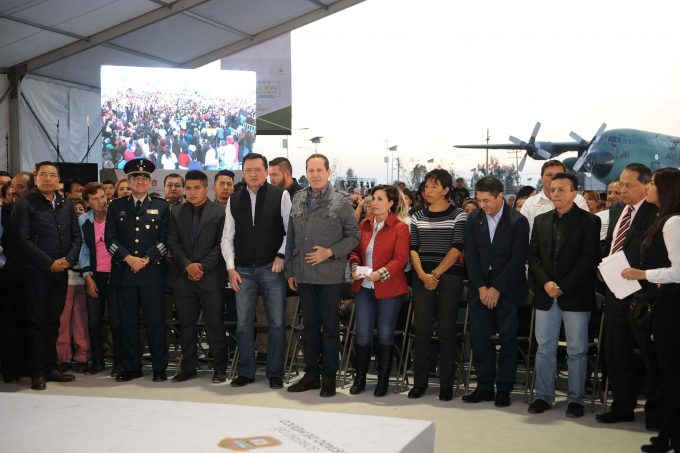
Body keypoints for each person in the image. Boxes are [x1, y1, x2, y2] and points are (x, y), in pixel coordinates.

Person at [285, 153, 360, 397]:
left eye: (319, 170)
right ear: (306, 172)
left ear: (328, 172)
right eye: (311, 170)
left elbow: (354, 237)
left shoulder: (341, 202)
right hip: (304, 276)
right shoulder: (298, 199)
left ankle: (329, 377)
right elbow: (292, 239)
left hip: (330, 277)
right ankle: (311, 375)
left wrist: (330, 252)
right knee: (308, 328)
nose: (315, 175)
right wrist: (290, 270)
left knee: (329, 329)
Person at [527, 173, 601, 418]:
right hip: (546, 293)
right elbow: (534, 257)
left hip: (576, 295)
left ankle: (575, 400)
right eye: (552, 189)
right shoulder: (540, 221)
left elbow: (588, 259)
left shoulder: (590, 222)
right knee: (544, 348)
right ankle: (543, 396)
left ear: (574, 193)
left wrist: (562, 285)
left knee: (577, 350)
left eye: (561, 189)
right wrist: (546, 282)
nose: (555, 193)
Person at [596, 163, 663, 430]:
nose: (621, 190)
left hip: (643, 295)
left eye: (628, 185)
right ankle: (622, 406)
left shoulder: (656, 212)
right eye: (620, 184)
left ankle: (656, 412)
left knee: (649, 354)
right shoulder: (616, 210)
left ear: (646, 186)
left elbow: (657, 254)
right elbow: (614, 245)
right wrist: (602, 267)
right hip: (614, 292)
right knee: (617, 351)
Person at [621, 167, 680, 452]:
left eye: (653, 184)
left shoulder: (672, 222)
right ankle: (667, 434)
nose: (648, 188)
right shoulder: (666, 219)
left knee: (670, 373)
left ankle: (670, 435)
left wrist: (643, 274)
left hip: (671, 305)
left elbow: (678, 272)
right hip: (667, 302)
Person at [221, 153, 291, 389]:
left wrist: (281, 255)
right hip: (242, 271)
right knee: (243, 325)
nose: (253, 174)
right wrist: (230, 268)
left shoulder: (280, 195)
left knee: (277, 324)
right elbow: (227, 237)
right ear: (243, 172)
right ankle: (246, 371)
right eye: (248, 170)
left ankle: (275, 373)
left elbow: (289, 231)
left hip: (272, 269)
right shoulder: (234, 198)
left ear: (265, 171)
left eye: (258, 170)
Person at [13, 161, 83, 390]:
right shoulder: (26, 205)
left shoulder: (65, 204)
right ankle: (37, 371)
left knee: (54, 321)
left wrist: (67, 261)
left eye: (52, 175)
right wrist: (49, 263)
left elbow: (77, 237)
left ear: (58, 179)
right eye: (43, 174)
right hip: (37, 274)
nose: (48, 179)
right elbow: (21, 240)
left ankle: (51, 367)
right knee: (37, 322)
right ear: (36, 177)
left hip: (61, 272)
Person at [463, 176, 529, 407]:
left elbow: (518, 258)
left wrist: (497, 288)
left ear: (501, 196)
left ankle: (503, 388)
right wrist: (482, 287)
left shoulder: (518, 221)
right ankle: (484, 387)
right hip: (479, 286)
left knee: (508, 340)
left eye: (487, 200)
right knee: (479, 338)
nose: (482, 205)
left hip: (508, 288)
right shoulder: (473, 218)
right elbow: (470, 254)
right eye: (479, 200)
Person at [105, 158, 170, 382]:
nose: (140, 181)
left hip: (152, 273)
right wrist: (128, 258)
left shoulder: (162, 206)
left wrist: (146, 259)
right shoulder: (115, 206)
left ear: (151, 181)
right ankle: (132, 367)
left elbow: (166, 240)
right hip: (125, 274)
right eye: (135, 177)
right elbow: (110, 240)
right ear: (129, 181)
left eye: (144, 177)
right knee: (128, 324)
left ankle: (160, 367)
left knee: (155, 322)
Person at [407, 169, 467, 401]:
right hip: (422, 277)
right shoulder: (417, 215)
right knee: (421, 330)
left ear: (446, 190)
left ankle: (446, 385)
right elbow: (413, 248)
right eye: (426, 186)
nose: (428, 190)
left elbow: (457, 247)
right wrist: (423, 275)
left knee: (446, 331)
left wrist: (436, 274)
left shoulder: (459, 214)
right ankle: (419, 383)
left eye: (434, 186)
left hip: (449, 277)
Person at [168, 170, 229, 383]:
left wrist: (201, 266)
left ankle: (220, 368)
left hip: (211, 278)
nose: (191, 192)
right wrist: (187, 266)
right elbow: (172, 243)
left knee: (214, 324)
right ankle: (188, 367)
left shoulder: (220, 212)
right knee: (186, 325)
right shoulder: (176, 212)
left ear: (206, 188)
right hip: (183, 278)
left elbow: (222, 244)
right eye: (189, 188)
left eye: (196, 188)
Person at [347, 185, 409, 396]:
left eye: (380, 199)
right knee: (363, 334)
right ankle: (360, 378)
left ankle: (383, 380)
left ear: (391, 203)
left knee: (385, 334)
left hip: (389, 288)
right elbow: (354, 252)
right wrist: (355, 267)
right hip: (364, 286)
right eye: (373, 198)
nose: (374, 202)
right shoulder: (364, 224)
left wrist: (380, 273)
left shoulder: (400, 228)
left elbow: (401, 259)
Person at [79, 183, 122, 376]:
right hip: (95, 275)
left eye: (103, 196)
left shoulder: (116, 217)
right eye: (95, 198)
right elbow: (83, 250)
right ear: (87, 202)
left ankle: (119, 363)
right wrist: (87, 276)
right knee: (94, 320)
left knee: (116, 320)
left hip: (116, 275)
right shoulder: (83, 221)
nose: (101, 201)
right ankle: (97, 361)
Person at [520, 160, 589, 235]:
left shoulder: (578, 200)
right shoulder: (529, 204)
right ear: (542, 178)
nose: (553, 178)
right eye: (549, 175)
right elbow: (522, 234)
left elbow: (585, 231)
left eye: (558, 175)